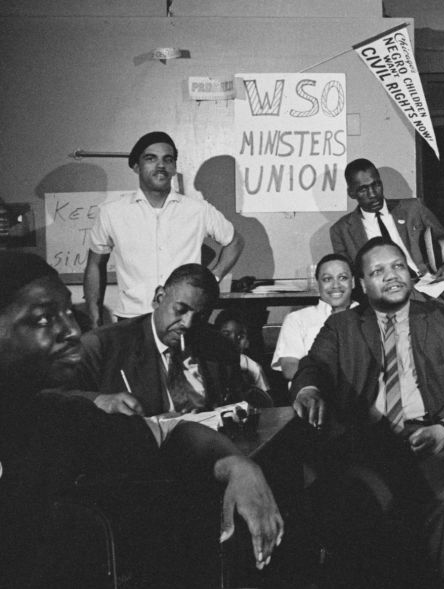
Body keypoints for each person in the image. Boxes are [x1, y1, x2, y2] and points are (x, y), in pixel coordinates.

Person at [0, 252, 282, 587]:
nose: (72, 330)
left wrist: (237, 466)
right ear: (160, 298)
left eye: (69, 312)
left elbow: (170, 432)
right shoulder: (105, 347)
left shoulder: (58, 418)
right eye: (44, 319)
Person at [291, 237, 444, 589]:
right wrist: (309, 389)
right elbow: (314, 365)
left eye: (397, 266)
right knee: (360, 503)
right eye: (378, 271)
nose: (392, 276)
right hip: (367, 445)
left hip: (433, 440)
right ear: (362, 285)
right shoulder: (343, 326)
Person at [83, 131, 244, 326]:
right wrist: (94, 317)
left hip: (184, 317)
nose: (161, 165)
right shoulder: (112, 212)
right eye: (151, 159)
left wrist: (213, 278)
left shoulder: (197, 210)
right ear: (136, 166)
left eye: (167, 160)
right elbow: (94, 265)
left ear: (174, 168)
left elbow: (235, 241)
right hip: (133, 318)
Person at [65, 264, 247, 416]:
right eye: (180, 310)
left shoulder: (220, 348)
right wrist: (98, 401)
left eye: (200, 317)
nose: (188, 324)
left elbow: (235, 405)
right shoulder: (103, 345)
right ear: (159, 298)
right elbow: (53, 397)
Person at [329, 158, 444, 309]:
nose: (373, 194)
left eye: (376, 185)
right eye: (363, 189)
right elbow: (349, 278)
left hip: (429, 290)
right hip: (383, 300)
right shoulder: (341, 230)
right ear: (351, 193)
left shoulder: (414, 208)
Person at [270, 253, 357, 381]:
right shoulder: (297, 319)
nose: (335, 285)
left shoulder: (368, 315)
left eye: (343, 278)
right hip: (314, 393)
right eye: (327, 279)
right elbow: (289, 367)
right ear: (317, 284)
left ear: (353, 282)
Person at [213, 308, 270, 394]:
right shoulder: (210, 363)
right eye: (226, 335)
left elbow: (264, 400)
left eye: (240, 336)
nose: (233, 341)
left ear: (247, 342)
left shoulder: (253, 367)